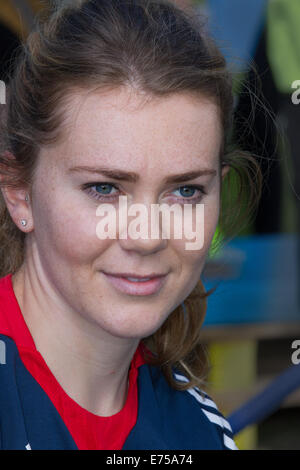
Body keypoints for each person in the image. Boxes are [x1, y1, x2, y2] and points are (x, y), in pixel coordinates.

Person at [0, 0, 261, 450]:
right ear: (19, 191)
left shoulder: (200, 431)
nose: (147, 236)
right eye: (104, 189)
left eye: (185, 191)